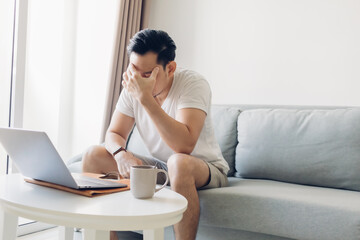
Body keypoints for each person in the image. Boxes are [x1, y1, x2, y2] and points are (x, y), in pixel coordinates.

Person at [82, 29, 229, 240]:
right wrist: (120, 153)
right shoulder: (133, 88)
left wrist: (145, 99)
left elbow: (184, 146)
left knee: (179, 163)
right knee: (92, 155)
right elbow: (113, 133)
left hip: (203, 168)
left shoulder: (193, 84)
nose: (137, 80)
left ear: (170, 68)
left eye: (147, 75)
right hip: (161, 166)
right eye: (133, 70)